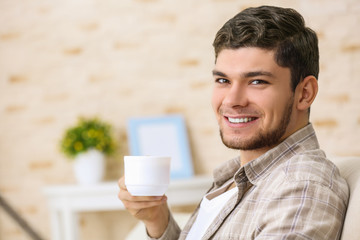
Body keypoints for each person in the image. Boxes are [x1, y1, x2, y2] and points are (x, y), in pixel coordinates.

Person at [118, 5, 349, 240]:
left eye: (257, 81)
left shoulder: (299, 188)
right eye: (223, 80)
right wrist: (156, 220)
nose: (232, 100)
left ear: (304, 93)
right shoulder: (237, 179)